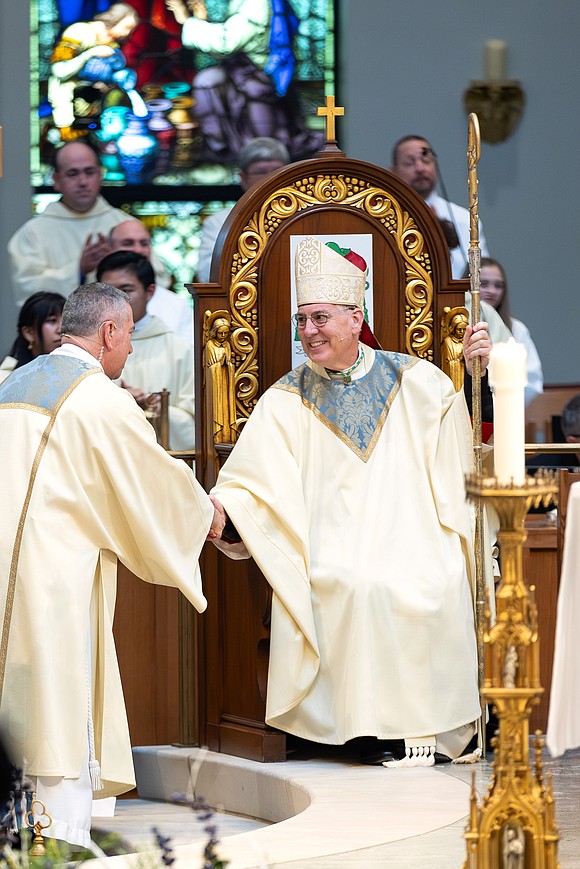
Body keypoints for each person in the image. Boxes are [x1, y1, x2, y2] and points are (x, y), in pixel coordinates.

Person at [210, 236, 494, 767]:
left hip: (415, 534)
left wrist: (479, 379)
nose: (309, 331)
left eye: (320, 318)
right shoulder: (285, 397)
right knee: (356, 583)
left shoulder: (417, 380)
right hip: (330, 544)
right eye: (302, 321)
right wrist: (227, 516)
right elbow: (250, 482)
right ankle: (359, 729)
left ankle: (428, 729)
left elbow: (470, 447)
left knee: (430, 579)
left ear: (354, 315)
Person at [0, 282, 223, 848]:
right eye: (129, 338)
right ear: (109, 332)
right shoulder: (99, 398)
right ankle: (55, 839)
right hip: (54, 578)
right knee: (53, 700)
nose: (130, 353)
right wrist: (207, 512)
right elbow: (151, 478)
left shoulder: (12, 385)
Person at [164, 0, 322, 164]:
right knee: (207, 80)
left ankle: (232, 149)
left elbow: (226, 43)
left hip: (259, 77)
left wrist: (187, 21)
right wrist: (200, 19)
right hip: (241, 70)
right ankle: (220, 146)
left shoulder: (256, 3)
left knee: (208, 82)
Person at [390, 135, 511, 346]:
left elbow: (481, 276)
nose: (420, 167)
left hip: (455, 321)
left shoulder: (465, 219)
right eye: (409, 162)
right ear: (393, 171)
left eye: (426, 160)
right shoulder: (386, 216)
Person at [8, 142, 128, 308]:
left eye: (90, 172)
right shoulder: (32, 233)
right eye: (73, 174)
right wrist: (78, 271)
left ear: (100, 174)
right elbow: (27, 293)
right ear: (56, 180)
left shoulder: (125, 225)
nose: (83, 181)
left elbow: (157, 280)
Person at [97, 250, 195, 450]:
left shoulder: (179, 351)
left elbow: (194, 427)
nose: (115, 303)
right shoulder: (88, 346)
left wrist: (153, 406)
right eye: (108, 292)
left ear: (150, 292)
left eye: (126, 291)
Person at [196, 136, 290, 282]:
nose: (271, 178)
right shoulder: (218, 222)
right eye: (261, 172)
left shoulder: (304, 215)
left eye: (278, 171)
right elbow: (206, 275)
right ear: (243, 178)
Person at [47, 3, 139, 140]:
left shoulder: (112, 45)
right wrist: (89, 54)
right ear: (113, 19)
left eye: (131, 30)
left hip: (93, 112)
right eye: (126, 27)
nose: (126, 34)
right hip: (67, 106)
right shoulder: (79, 32)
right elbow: (59, 70)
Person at [109, 219, 193, 343]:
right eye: (128, 243)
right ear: (109, 248)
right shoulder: (92, 301)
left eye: (144, 244)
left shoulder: (177, 305)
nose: (138, 250)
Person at [477, 257, 543, 406]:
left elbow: (532, 382)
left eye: (498, 285)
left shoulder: (516, 329)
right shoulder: (458, 327)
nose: (491, 291)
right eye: (483, 284)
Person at [0, 292, 65, 385]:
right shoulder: (6, 380)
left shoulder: (82, 371)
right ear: (29, 333)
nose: (61, 329)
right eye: (52, 321)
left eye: (67, 320)